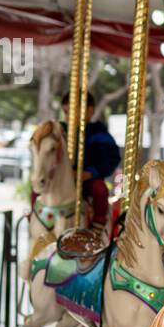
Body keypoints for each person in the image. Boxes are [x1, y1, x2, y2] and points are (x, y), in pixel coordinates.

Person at [59, 89, 121, 226]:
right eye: (65, 112)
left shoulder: (98, 132)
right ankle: (35, 217)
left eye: (72, 112)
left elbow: (111, 158)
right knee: (37, 191)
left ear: (90, 111)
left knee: (100, 189)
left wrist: (90, 172)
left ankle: (99, 225)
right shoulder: (60, 131)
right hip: (62, 179)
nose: (68, 117)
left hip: (87, 179)